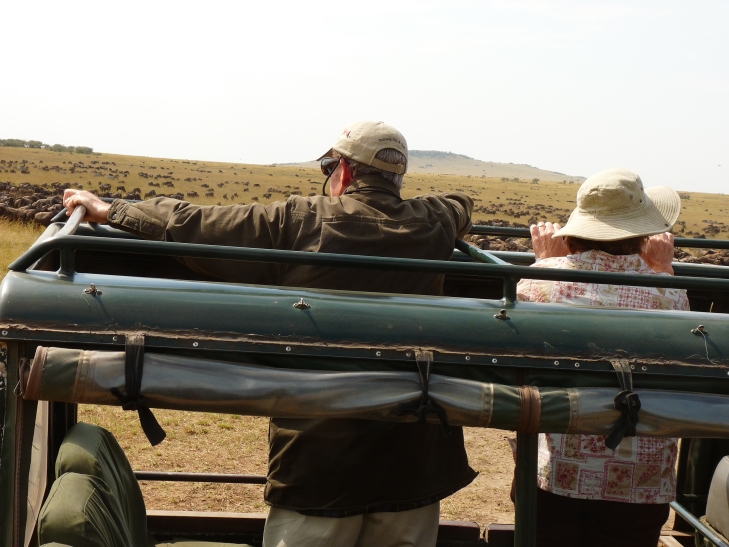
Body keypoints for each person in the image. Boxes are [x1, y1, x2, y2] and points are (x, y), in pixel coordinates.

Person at [63, 121, 477, 547]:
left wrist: (111, 210)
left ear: (346, 172)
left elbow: (196, 224)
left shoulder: (298, 220)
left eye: (329, 167)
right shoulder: (436, 220)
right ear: (397, 178)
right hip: (416, 460)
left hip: (319, 459)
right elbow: (461, 204)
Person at [516, 168, 689, 547]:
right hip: (639, 482)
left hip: (554, 470)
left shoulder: (539, 282)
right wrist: (663, 271)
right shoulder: (670, 294)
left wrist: (544, 262)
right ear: (643, 236)